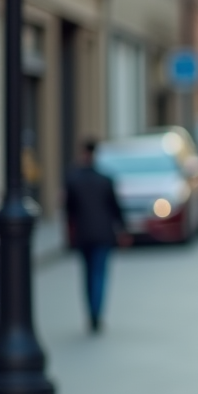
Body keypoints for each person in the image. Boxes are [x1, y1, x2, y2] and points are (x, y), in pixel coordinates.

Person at [64, 138, 129, 333]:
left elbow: (69, 211)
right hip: (103, 234)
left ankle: (91, 313)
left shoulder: (73, 180)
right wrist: (123, 229)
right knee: (99, 274)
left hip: (84, 235)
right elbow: (116, 208)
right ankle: (96, 314)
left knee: (88, 275)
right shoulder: (105, 179)